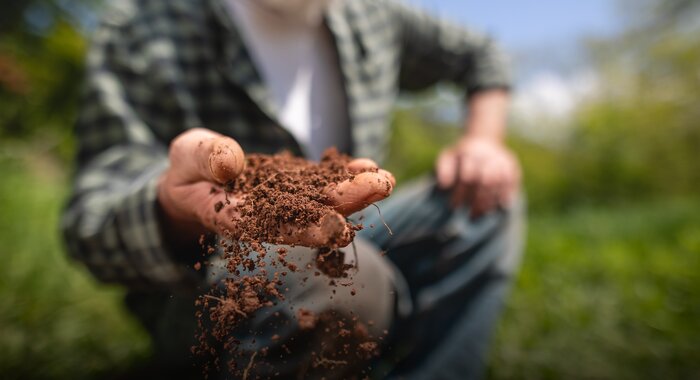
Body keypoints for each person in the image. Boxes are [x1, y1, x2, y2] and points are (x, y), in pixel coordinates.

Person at [61, 0, 524, 378]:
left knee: (483, 199)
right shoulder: (146, 24)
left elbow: (482, 52)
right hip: (208, 278)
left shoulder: (368, 15)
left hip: (354, 232)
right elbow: (90, 221)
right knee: (344, 280)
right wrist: (175, 206)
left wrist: (483, 141)